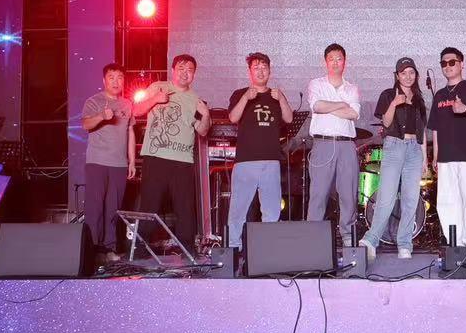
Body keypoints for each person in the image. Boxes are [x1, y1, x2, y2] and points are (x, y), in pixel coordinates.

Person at [137, 54, 211, 252]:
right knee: (149, 204)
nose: (185, 73)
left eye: (190, 70)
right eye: (181, 69)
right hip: (156, 157)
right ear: (172, 70)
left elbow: (203, 131)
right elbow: (136, 111)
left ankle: (187, 250)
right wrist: (155, 99)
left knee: (184, 208)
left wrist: (206, 115)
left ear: (194, 74)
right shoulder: (157, 87)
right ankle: (140, 250)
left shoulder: (195, 99)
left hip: (183, 160)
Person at [225, 53, 292, 251]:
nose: (260, 71)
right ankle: (233, 247)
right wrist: (246, 97)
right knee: (238, 208)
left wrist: (282, 99)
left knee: (271, 209)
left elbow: (288, 119)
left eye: (264, 68)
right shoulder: (240, 93)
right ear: (250, 72)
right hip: (245, 161)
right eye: (256, 68)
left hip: (271, 160)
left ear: (269, 71)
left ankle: (267, 249)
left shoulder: (276, 95)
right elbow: (233, 117)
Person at [364, 57, 427, 258]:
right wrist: (394, 103)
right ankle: (371, 239)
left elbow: (422, 131)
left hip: (414, 149)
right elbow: (386, 121)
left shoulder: (419, 99)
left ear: (416, 75)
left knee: (411, 199)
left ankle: (405, 244)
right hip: (394, 146)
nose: (408, 76)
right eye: (403, 73)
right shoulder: (388, 94)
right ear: (397, 75)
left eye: (411, 72)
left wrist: (425, 158)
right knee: (386, 196)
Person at [425, 47, 466, 242]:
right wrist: (435, 156)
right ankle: (455, 243)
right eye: (444, 63)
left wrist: (465, 109)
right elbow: (435, 128)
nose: (448, 66)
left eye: (452, 62)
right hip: (445, 158)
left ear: (461, 64)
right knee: (447, 202)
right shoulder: (439, 95)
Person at [77, 63, 136, 259]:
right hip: (97, 162)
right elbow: (85, 124)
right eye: (111, 77)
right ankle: (92, 251)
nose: (116, 81)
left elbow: (130, 132)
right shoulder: (94, 101)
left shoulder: (127, 104)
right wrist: (102, 116)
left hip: (119, 164)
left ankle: (109, 249)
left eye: (120, 77)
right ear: (104, 80)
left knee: (113, 209)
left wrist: (132, 161)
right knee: (95, 208)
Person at [304, 43, 362, 227]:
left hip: (347, 144)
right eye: (331, 59)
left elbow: (353, 113)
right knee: (318, 194)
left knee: (348, 194)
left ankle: (348, 234)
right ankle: (313, 235)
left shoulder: (352, 88)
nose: (335, 63)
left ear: (345, 61)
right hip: (323, 143)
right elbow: (317, 106)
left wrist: (328, 107)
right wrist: (342, 105)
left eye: (339, 59)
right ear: (325, 62)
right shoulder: (316, 84)